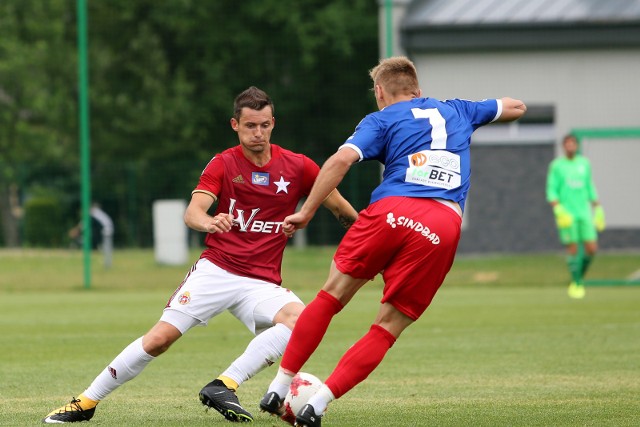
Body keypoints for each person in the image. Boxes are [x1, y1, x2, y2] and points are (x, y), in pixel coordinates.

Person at [43, 86, 358, 424]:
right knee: (159, 339)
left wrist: (373, 245)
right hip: (217, 271)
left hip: (261, 282)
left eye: (265, 125)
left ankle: (225, 384)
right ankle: (86, 402)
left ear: (273, 123)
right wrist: (211, 222)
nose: (258, 133)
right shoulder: (223, 163)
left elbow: (343, 212)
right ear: (234, 125)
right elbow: (193, 213)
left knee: (303, 322)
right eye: (250, 125)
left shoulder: (299, 167)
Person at [259, 56, 527, 426]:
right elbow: (516, 106)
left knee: (330, 297)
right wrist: (472, 112)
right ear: (418, 89)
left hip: (391, 210)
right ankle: (316, 405)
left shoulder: (380, 118)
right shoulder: (458, 110)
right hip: (442, 224)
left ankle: (279, 386)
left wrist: (307, 211)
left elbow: (340, 160)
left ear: (379, 92)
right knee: (387, 327)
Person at [546, 134, 605, 299]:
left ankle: (579, 278)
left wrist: (597, 207)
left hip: (584, 212)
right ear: (564, 147)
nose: (570, 147)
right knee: (572, 248)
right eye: (567, 144)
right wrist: (558, 208)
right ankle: (576, 282)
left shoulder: (584, 164)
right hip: (567, 213)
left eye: (573, 144)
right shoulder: (557, 166)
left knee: (592, 249)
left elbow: (589, 185)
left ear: (577, 146)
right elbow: (551, 189)